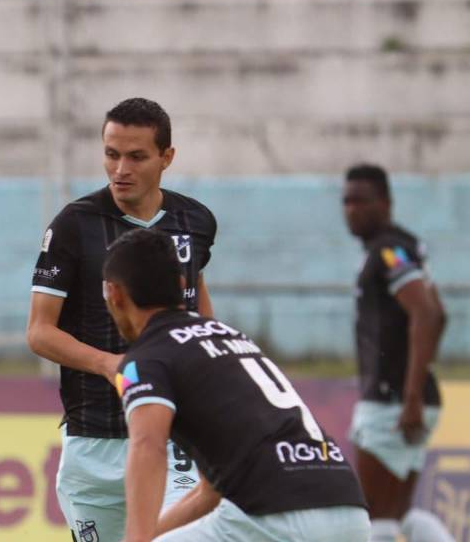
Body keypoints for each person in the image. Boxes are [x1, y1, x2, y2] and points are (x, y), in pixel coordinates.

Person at [26, 97, 216, 541]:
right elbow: (39, 331)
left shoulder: (195, 221)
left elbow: (197, 300)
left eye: (136, 156)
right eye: (111, 154)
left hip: (173, 432)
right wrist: (109, 364)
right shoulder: (75, 225)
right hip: (94, 439)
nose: (120, 169)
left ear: (166, 157)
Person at [105, 228, 369, 541]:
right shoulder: (230, 336)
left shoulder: (144, 359)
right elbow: (209, 494)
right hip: (349, 512)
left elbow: (148, 446)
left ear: (115, 294)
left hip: (276, 518)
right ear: (181, 285)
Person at [343, 164, 454, 542]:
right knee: (400, 512)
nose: (351, 209)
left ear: (386, 203)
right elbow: (438, 314)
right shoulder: (400, 246)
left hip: (392, 400)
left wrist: (409, 394)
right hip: (407, 397)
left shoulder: (390, 251)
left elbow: (427, 312)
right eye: (346, 201)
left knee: (374, 515)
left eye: (361, 200)